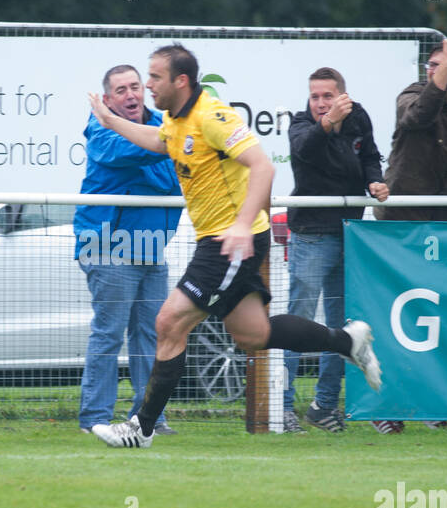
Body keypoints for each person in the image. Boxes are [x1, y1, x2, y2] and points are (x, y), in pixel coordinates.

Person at [85, 44, 382, 449]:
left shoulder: (214, 115)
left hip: (229, 241)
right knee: (253, 334)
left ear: (181, 81)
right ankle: (347, 342)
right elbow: (158, 142)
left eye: (154, 78)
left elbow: (263, 166)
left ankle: (142, 427)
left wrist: (242, 226)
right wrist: (108, 119)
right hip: (224, 240)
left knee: (169, 322)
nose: (148, 85)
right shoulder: (176, 119)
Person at [372, 38, 447, 434]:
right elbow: (418, 118)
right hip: (400, 223)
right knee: (392, 316)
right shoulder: (412, 97)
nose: (431, 72)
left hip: (441, 223)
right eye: (429, 65)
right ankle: (385, 406)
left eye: (441, 66)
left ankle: (430, 402)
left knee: (432, 316)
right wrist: (441, 70)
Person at [74, 64, 181, 436]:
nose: (131, 95)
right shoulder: (101, 130)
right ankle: (95, 420)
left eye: (135, 86)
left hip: (151, 250)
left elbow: (172, 178)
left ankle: (148, 417)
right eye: (120, 91)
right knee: (109, 333)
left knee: (153, 334)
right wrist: (169, 142)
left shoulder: (166, 125)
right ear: (106, 100)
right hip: (109, 246)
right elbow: (141, 153)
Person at [282, 66, 388, 434]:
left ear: (343, 95)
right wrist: (328, 124)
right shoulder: (300, 124)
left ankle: (323, 405)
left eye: (328, 96)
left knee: (344, 326)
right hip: (311, 235)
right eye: (315, 97)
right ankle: (280, 408)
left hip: (350, 234)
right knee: (297, 323)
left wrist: (375, 180)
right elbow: (304, 150)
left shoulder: (359, 118)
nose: (321, 103)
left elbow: (371, 156)